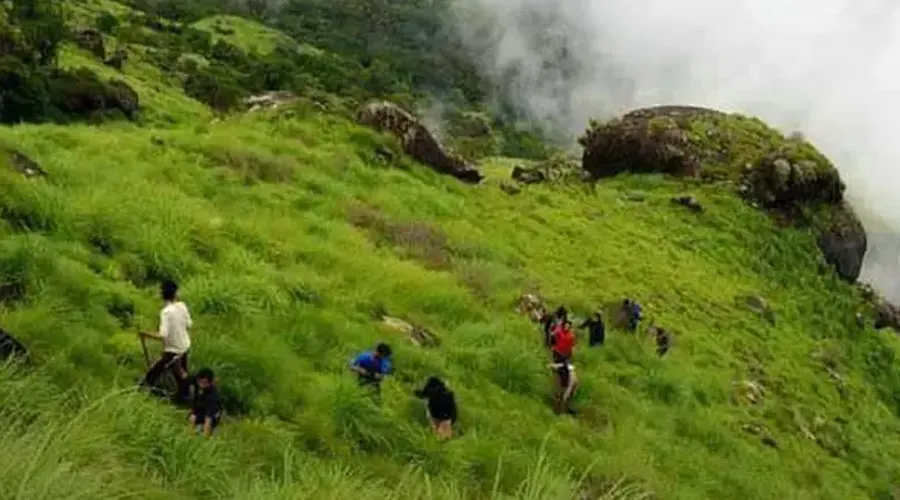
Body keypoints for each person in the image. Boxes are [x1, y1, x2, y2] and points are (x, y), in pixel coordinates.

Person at [140, 280, 192, 404]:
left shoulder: (166, 312)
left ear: (162, 294)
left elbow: (163, 335)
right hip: (185, 345)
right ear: (176, 293)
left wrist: (145, 334)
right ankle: (185, 396)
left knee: (155, 372)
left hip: (173, 350)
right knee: (180, 373)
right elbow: (189, 324)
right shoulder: (182, 306)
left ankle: (144, 390)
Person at [189, 368, 222, 437]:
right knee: (192, 418)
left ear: (210, 382)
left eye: (204, 383)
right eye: (199, 382)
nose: (201, 385)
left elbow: (208, 419)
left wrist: (204, 438)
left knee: (201, 430)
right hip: (200, 411)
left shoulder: (212, 396)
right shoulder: (197, 383)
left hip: (211, 416)